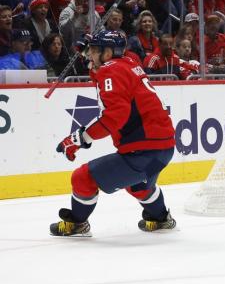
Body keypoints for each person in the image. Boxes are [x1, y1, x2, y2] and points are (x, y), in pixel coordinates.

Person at [51, 30, 176, 236]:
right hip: (163, 147)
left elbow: (115, 116)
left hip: (143, 150)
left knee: (82, 178)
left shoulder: (110, 70)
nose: (89, 55)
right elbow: (107, 77)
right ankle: (161, 219)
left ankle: (77, 224)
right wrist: (91, 56)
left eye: (93, 51)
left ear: (108, 53)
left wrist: (79, 138)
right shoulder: (129, 61)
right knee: (137, 185)